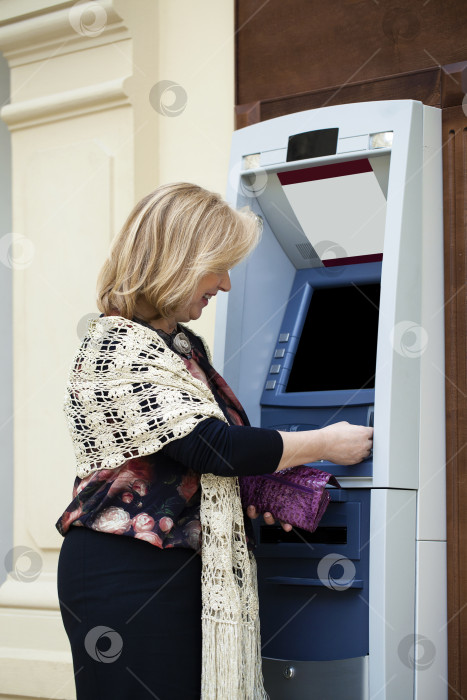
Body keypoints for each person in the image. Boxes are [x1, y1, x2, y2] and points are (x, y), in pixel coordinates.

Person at [56, 182, 373, 700]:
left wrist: (258, 494)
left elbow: (198, 464)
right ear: (179, 260)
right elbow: (212, 448)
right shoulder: (114, 350)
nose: (226, 284)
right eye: (218, 266)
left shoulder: (177, 345)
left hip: (178, 574)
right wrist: (325, 441)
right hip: (127, 579)